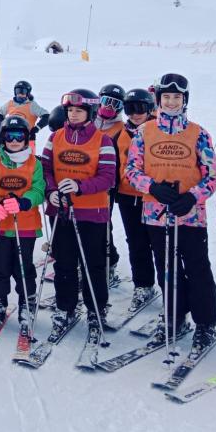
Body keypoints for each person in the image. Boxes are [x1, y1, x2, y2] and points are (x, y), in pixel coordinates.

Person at [125, 73, 216, 352]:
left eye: (176, 97)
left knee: (197, 268)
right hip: (156, 214)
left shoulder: (198, 133)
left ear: (184, 100)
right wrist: (152, 187)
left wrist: (193, 196)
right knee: (166, 269)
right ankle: (175, 317)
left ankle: (205, 323)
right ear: (158, 100)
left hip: (190, 215)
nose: (171, 102)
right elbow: (131, 171)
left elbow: (213, 175)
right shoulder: (145, 132)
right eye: (166, 97)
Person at [41, 89, 116, 333]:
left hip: (91, 213)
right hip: (60, 210)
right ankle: (66, 306)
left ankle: (96, 309)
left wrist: (80, 187)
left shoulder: (102, 140)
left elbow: (108, 177)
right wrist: (50, 191)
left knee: (92, 263)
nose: (73, 115)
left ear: (89, 113)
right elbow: (45, 168)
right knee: (63, 262)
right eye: (70, 110)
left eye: (79, 111)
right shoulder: (55, 137)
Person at [0, 115, 46, 335]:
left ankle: (27, 302)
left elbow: (39, 189)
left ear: (26, 137)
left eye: (19, 135)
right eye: (10, 135)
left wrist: (24, 201)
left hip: (25, 225)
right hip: (0, 224)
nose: (15, 140)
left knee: (23, 267)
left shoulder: (34, 163)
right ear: (3, 138)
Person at [112, 89, 159, 313]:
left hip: (154, 196)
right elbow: (113, 164)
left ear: (150, 109)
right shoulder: (120, 134)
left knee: (160, 243)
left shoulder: (159, 130)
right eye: (130, 109)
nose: (136, 114)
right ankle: (143, 284)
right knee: (136, 241)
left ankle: (170, 286)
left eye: (141, 108)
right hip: (128, 195)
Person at [96, 83, 127, 284]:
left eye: (115, 103)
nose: (109, 107)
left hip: (108, 184)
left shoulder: (120, 128)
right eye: (106, 101)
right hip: (86, 182)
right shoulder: (89, 121)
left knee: (103, 224)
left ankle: (109, 261)